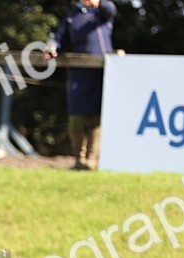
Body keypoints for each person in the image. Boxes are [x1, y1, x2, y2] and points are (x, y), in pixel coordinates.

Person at [45, 0, 116, 170]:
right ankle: (79, 160)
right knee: (76, 118)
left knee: (96, 119)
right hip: (79, 73)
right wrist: (52, 48)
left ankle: (92, 161)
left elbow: (110, 9)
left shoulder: (102, 13)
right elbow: (58, 38)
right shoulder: (72, 16)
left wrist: (97, 3)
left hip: (101, 73)